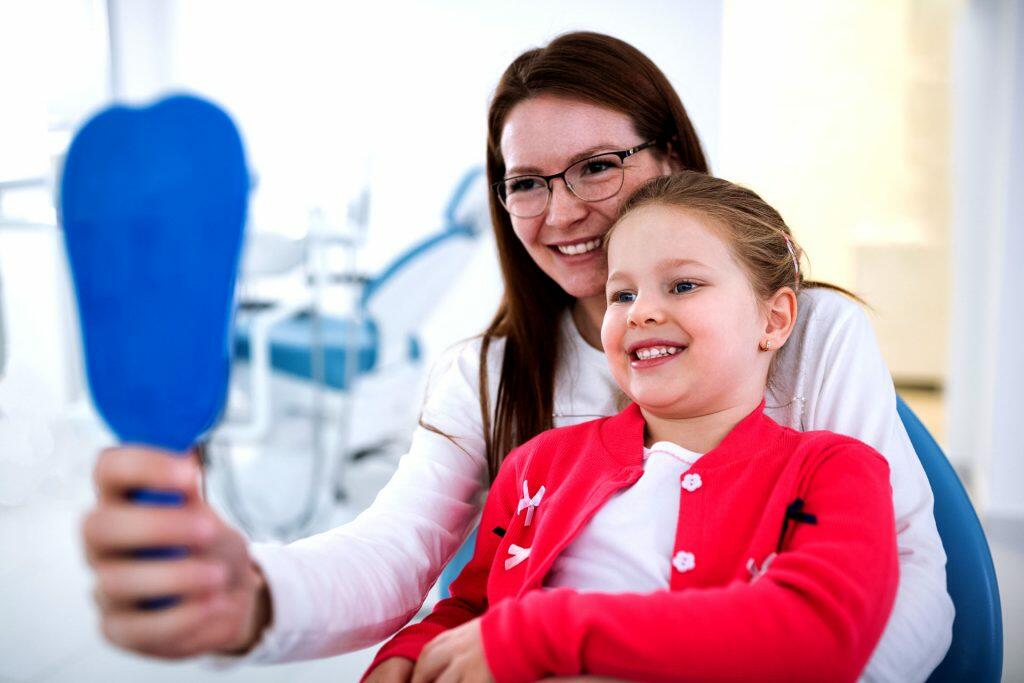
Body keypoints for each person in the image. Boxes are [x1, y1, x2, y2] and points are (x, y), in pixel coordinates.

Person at [81, 32, 952, 682]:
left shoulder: (815, 338)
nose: (561, 210)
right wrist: (254, 591)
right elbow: (404, 561)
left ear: (673, 159)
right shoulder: (492, 381)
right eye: (526, 181)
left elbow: (897, 585)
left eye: (597, 167)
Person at [362, 170, 901, 683]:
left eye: (683, 285)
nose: (641, 312)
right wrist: (406, 655)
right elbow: (471, 605)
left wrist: (542, 632)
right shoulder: (538, 465)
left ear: (775, 319)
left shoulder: (835, 470)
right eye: (622, 294)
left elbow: (817, 635)